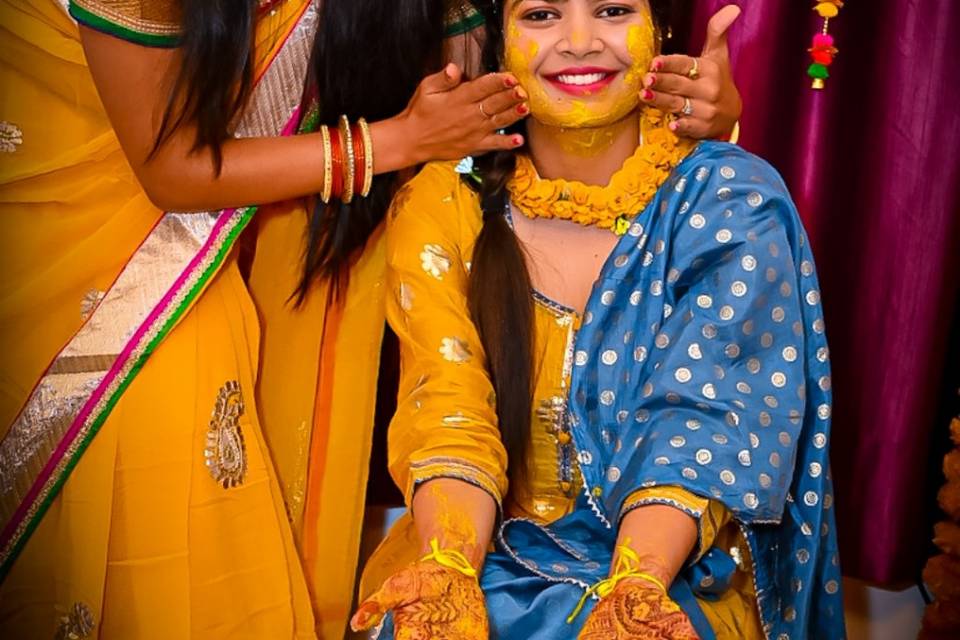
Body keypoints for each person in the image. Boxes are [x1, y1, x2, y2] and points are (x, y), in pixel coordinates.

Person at [0, 1, 742, 638]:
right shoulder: (436, 216)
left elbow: (502, 72)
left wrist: (697, 113)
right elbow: (169, 169)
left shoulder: (722, 208)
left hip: (316, 224)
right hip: (105, 241)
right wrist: (400, 143)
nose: (579, 34)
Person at [351, 1, 845, 639]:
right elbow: (446, 407)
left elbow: (699, 427)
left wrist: (637, 586)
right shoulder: (444, 204)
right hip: (479, 549)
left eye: (612, 10)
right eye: (542, 15)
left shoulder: (729, 199)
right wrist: (448, 561)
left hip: (676, 566)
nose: (579, 41)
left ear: (661, 33)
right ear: (498, 43)